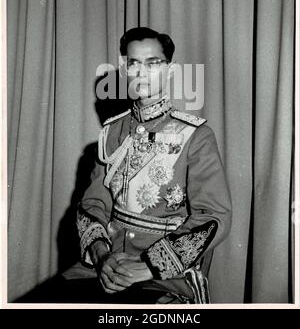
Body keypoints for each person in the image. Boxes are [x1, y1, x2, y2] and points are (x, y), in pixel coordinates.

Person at [16, 27, 231, 304]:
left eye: (152, 63)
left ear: (171, 70)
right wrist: (101, 256)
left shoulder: (196, 136)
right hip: (103, 267)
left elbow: (213, 216)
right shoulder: (112, 132)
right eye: (133, 64)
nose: (142, 72)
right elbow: (92, 205)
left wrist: (148, 266)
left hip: (162, 276)